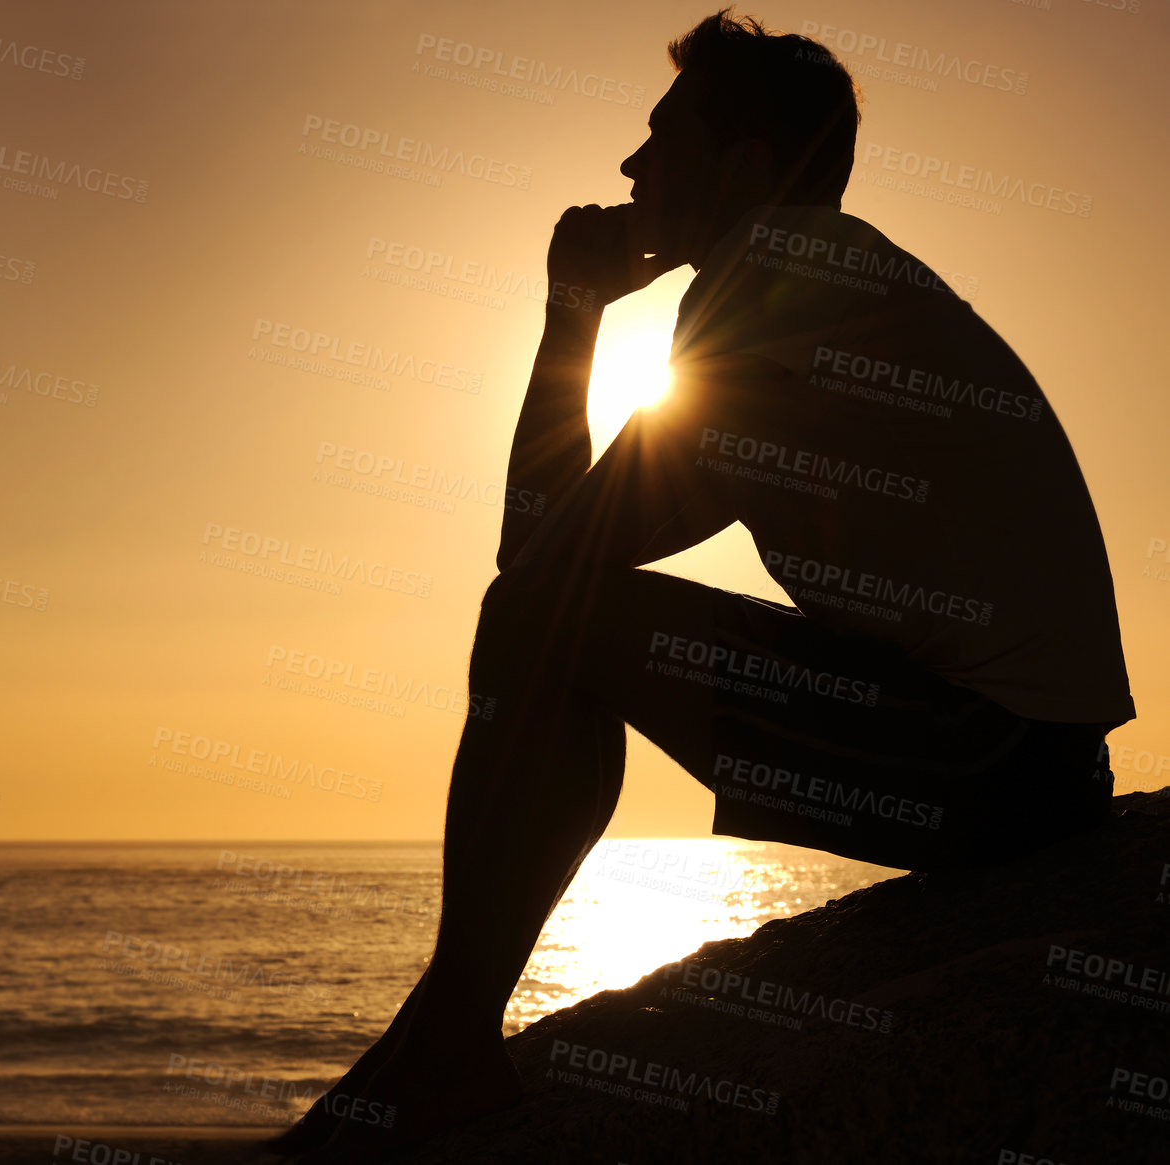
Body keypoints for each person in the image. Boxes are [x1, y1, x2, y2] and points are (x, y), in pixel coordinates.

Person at [266, 9, 1134, 1161]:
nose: (629, 166)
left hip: (993, 761)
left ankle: (450, 1042)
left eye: (660, 137)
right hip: (1014, 755)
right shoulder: (818, 276)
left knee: (543, 620)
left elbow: (543, 562)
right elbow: (562, 554)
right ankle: (445, 1027)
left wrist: (570, 314)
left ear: (744, 168)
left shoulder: (776, 279)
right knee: (550, 618)